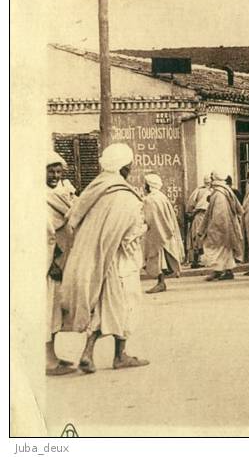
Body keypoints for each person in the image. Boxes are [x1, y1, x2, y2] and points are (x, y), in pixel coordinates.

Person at [60, 143, 149, 373]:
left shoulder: (95, 189)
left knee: (103, 308)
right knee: (127, 307)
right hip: (121, 262)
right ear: (124, 167)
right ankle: (120, 355)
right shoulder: (125, 197)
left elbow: (74, 218)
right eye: (129, 164)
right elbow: (129, 236)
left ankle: (88, 353)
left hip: (97, 261)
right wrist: (143, 228)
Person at [46, 152, 76, 376]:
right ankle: (48, 361)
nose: (55, 175)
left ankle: (53, 355)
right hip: (48, 263)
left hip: (60, 260)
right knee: (47, 312)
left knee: (56, 310)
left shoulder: (58, 194)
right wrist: (52, 262)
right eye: (51, 171)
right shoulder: (40, 196)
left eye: (58, 172)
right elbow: (45, 233)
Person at [141, 173, 186, 294]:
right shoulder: (161, 197)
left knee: (158, 260)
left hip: (158, 234)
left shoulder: (151, 200)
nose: (144, 187)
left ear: (149, 186)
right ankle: (161, 282)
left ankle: (161, 283)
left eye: (145, 184)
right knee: (161, 261)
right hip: (164, 232)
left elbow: (151, 218)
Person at [200, 170, 244, 281]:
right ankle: (226, 271)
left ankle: (218, 271)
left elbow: (219, 215)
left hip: (220, 228)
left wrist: (212, 228)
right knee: (224, 250)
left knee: (217, 250)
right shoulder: (222, 191)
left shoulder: (219, 194)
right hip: (225, 227)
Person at [183, 175, 211, 269]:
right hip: (202, 216)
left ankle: (198, 260)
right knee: (199, 238)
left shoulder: (199, 190)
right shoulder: (205, 191)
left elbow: (191, 204)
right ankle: (197, 260)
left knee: (197, 238)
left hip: (200, 216)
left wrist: (191, 212)